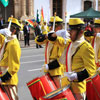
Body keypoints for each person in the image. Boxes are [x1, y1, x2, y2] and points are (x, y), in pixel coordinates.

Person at [47, 18, 96, 100]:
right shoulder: (69, 43)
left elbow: (91, 70)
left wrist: (76, 76)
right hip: (66, 84)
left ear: (80, 32)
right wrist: (55, 34)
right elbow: (53, 40)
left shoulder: (86, 47)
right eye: (69, 29)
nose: (69, 32)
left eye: (72, 30)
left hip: (78, 87)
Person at [35, 16, 69, 88]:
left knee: (59, 92)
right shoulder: (49, 37)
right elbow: (37, 40)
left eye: (51, 26)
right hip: (48, 69)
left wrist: (49, 66)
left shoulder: (61, 39)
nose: (50, 28)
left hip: (56, 70)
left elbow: (61, 58)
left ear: (58, 27)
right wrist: (46, 36)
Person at [0, 25, 21, 100]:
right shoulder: (7, 40)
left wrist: (3, 78)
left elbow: (14, 66)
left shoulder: (13, 44)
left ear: (14, 31)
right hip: (3, 77)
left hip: (9, 80)